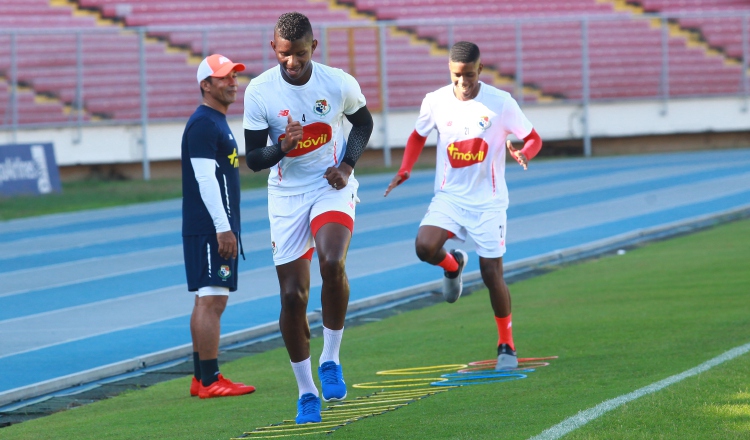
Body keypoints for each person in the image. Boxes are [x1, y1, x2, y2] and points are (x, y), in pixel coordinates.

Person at [243, 12, 374, 423]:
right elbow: (253, 160)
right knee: (291, 296)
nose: (292, 63)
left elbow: (363, 123)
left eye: (299, 54)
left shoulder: (337, 82)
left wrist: (347, 166)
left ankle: (331, 359)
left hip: (328, 186)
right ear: (273, 50)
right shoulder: (259, 92)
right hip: (285, 195)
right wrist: (281, 147)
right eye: (284, 55)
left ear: (313, 48)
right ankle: (306, 392)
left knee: (332, 261)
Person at [384, 41, 543, 372]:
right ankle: (453, 266)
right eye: (457, 76)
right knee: (424, 246)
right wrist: (406, 167)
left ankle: (506, 345)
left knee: (491, 274)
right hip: (450, 197)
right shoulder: (436, 101)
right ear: (450, 71)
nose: (463, 83)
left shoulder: (501, 103)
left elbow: (534, 137)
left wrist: (524, 153)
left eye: (469, 75)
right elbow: (417, 136)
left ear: (480, 70)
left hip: (489, 203)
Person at [182, 54, 256, 399]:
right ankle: (211, 380)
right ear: (205, 85)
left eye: (234, 76)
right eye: (224, 77)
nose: (232, 82)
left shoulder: (215, 121)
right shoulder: (204, 124)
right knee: (212, 300)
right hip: (212, 227)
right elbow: (204, 179)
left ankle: (202, 378)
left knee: (206, 299)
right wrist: (223, 228)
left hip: (214, 225)